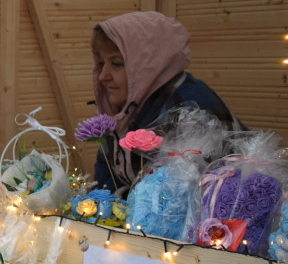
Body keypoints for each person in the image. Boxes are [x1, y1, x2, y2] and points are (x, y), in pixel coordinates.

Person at [90, 11, 244, 195]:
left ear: (148, 65)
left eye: (116, 63)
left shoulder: (191, 109)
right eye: (101, 63)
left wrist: (119, 205)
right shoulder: (126, 108)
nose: (103, 76)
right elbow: (106, 182)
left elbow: (187, 200)